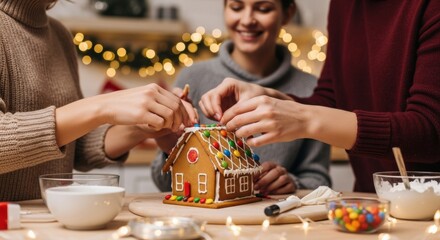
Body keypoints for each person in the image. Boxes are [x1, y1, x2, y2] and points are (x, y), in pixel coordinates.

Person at [199, 0, 440, 193]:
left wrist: (305, 119)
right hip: (373, 200)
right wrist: (271, 96)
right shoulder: (343, 5)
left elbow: (430, 130)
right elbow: (330, 100)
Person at [0, 0, 196, 201]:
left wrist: (142, 128)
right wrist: (103, 106)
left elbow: (74, 146)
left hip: (48, 224)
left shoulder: (59, 35)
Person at [151, 0, 331, 194]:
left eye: (263, 9)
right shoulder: (192, 78)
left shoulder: (312, 89)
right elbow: (163, 183)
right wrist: (173, 150)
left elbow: (319, 180)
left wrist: (293, 183)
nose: (247, 20)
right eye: (236, 7)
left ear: (287, 14)